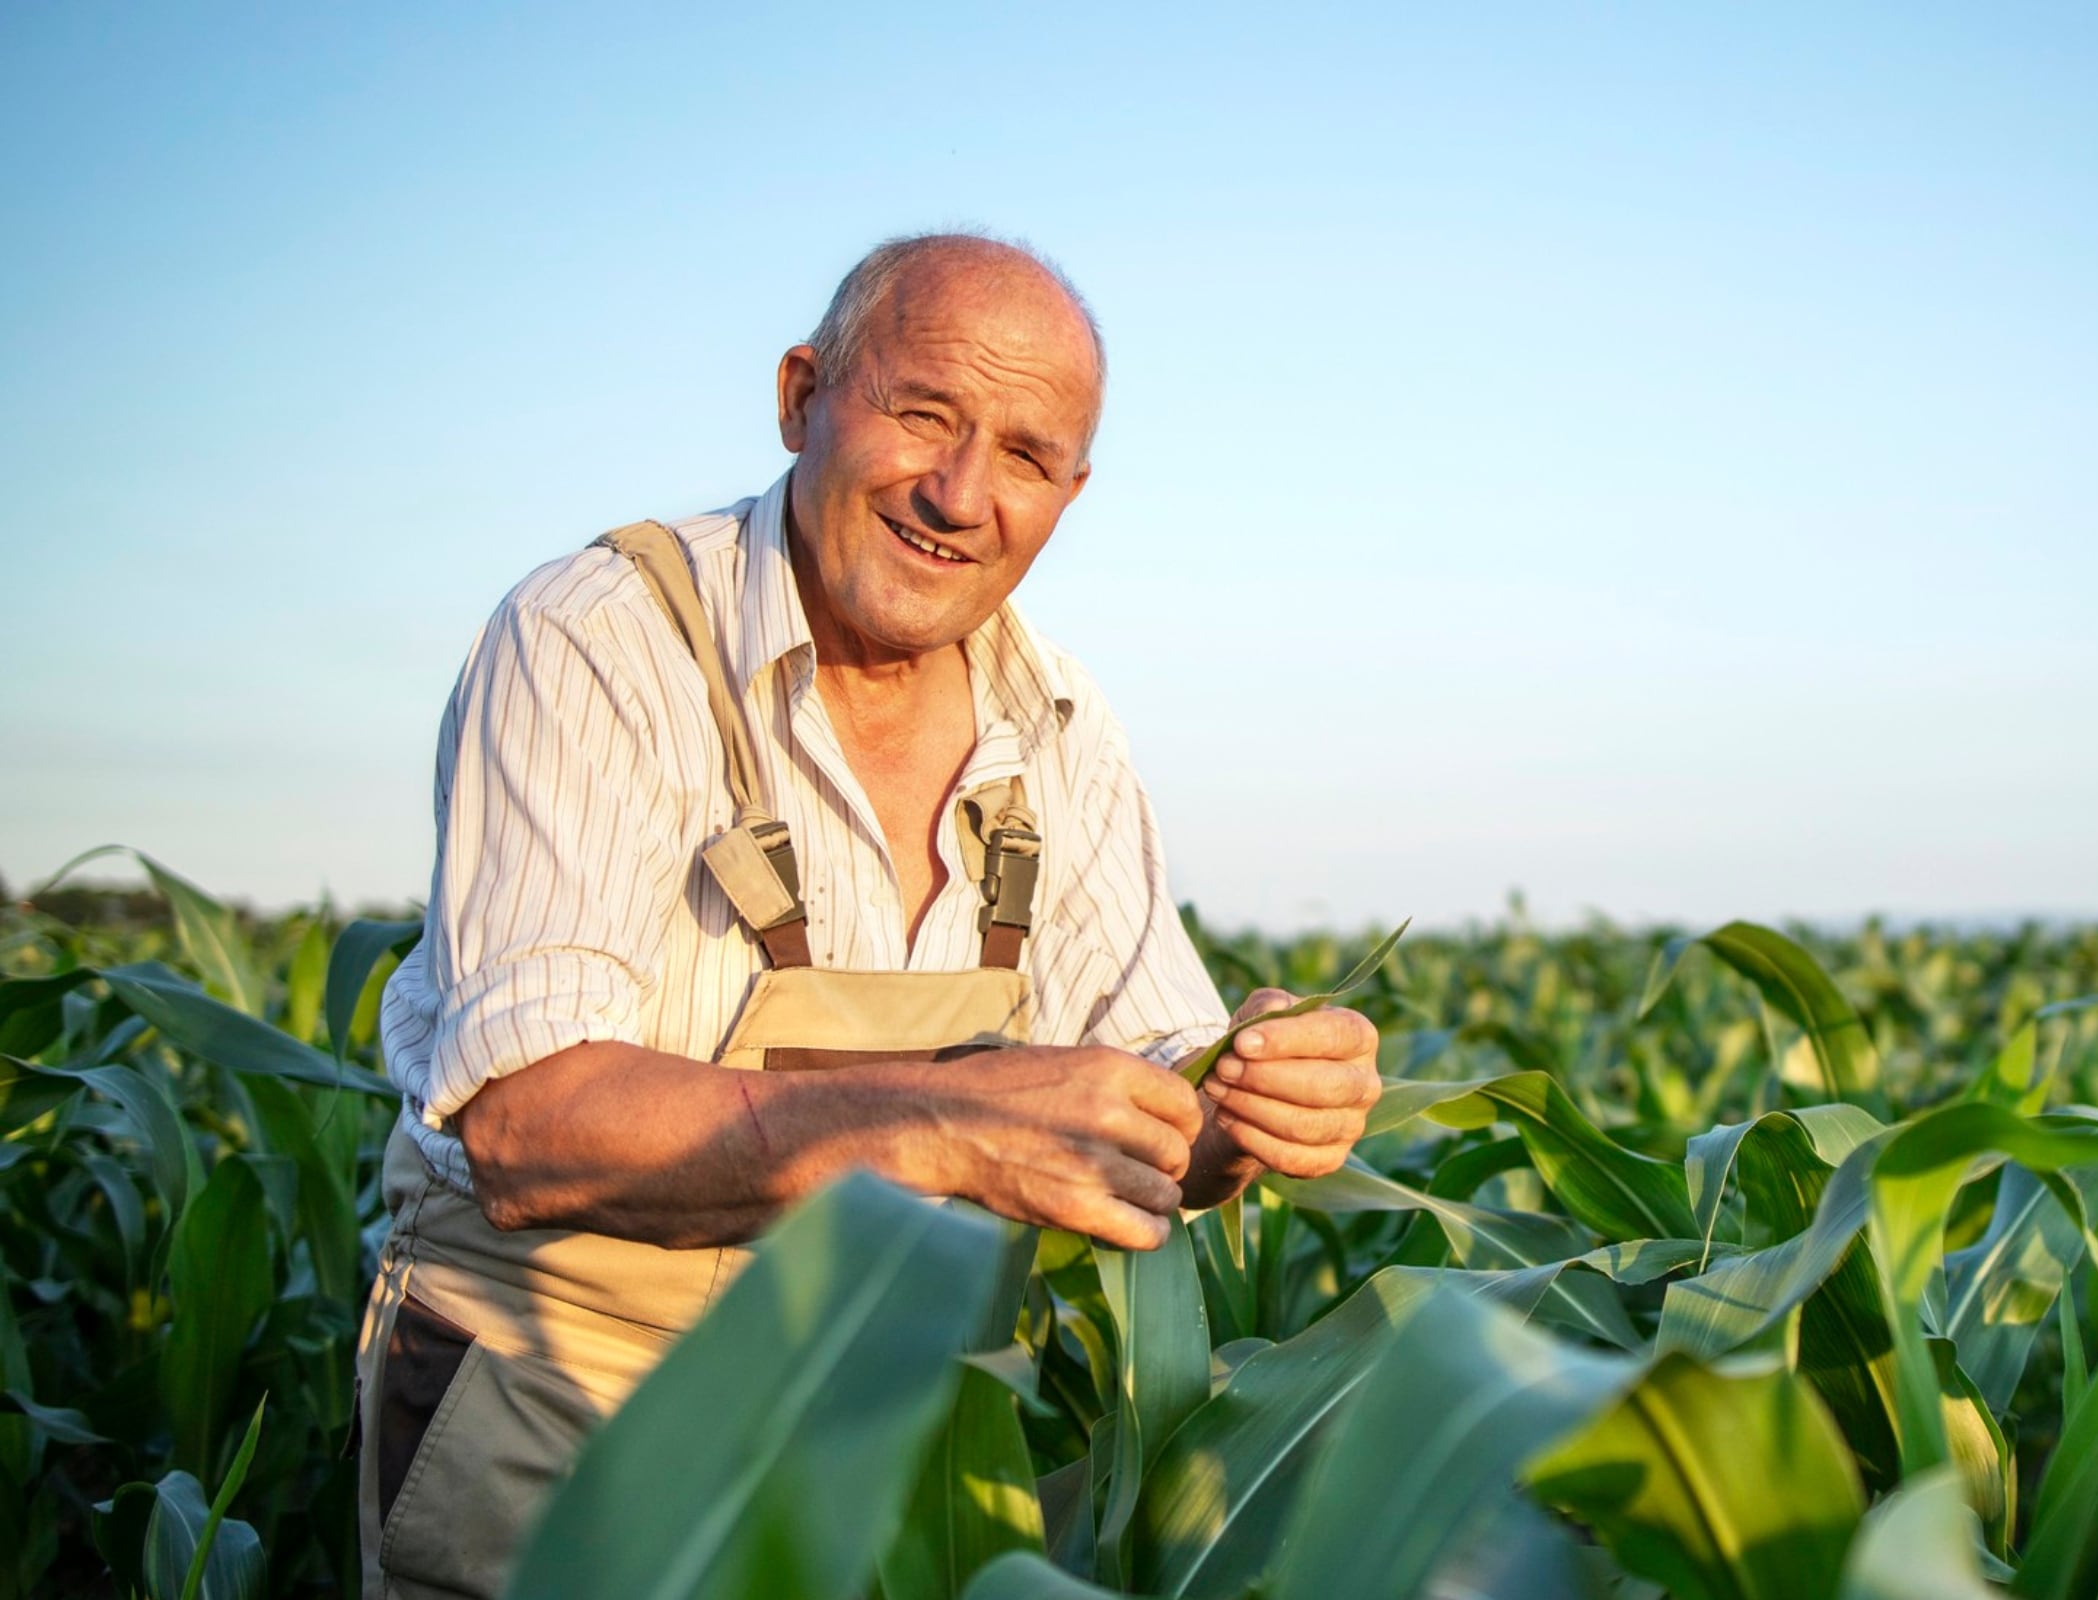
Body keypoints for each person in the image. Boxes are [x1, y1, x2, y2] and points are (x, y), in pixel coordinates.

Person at [354, 231, 1383, 1599]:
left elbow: (1154, 1096)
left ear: (1070, 494)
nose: (960, 495)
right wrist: (947, 1123)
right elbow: (529, 1128)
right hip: (560, 1402)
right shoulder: (598, 639)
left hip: (886, 1433)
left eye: (1026, 457)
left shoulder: (1057, 723)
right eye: (924, 414)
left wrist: (1245, 1106)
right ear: (801, 397)